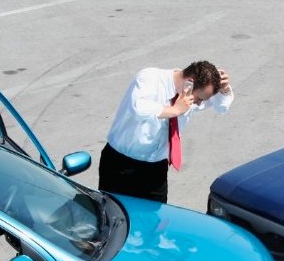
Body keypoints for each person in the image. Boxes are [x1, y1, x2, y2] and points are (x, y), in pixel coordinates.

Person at [98, 60, 234, 203]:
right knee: (112, 217)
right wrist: (175, 110)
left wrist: (224, 90)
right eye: (199, 98)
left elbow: (221, 107)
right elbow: (138, 108)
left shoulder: (189, 96)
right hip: (121, 165)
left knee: (156, 220)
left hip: (156, 170)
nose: (199, 103)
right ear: (189, 83)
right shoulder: (149, 78)